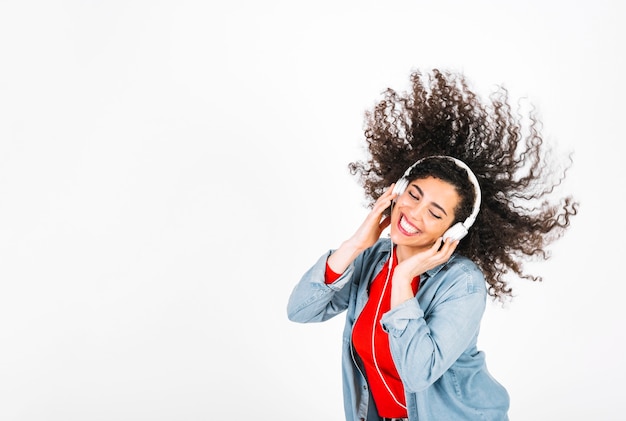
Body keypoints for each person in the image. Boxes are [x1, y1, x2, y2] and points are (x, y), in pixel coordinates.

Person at [286, 69, 578, 421]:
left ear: (453, 231)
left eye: (435, 212)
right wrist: (353, 244)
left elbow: (418, 373)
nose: (413, 213)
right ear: (396, 191)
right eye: (413, 195)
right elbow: (300, 310)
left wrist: (404, 278)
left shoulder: (462, 283)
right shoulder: (374, 258)